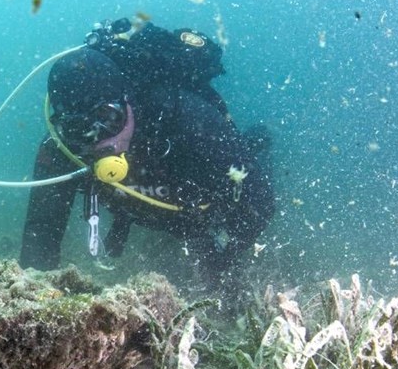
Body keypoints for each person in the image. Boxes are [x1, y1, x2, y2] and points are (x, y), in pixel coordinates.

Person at [20, 19, 274, 302]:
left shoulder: (188, 119)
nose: (98, 141)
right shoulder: (62, 147)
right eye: (80, 128)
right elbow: (40, 235)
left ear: (129, 102)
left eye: (107, 118)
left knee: (252, 159)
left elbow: (259, 201)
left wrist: (226, 257)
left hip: (200, 210)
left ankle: (259, 141)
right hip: (146, 211)